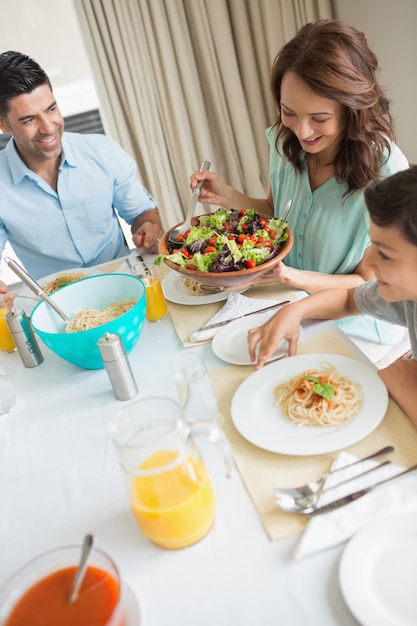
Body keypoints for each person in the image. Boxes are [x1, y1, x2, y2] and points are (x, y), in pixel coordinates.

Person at [190, 19, 409, 345]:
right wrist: (228, 196)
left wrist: (288, 275)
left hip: (357, 328)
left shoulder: (384, 169)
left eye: (319, 119)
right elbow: (275, 213)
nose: (302, 131)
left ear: (351, 109)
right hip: (286, 302)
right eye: (288, 112)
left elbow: (369, 283)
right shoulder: (284, 141)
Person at [247, 166, 417, 426]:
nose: (368, 261)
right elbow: (350, 300)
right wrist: (295, 311)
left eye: (385, 253)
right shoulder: (405, 293)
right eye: (373, 245)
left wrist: (404, 385)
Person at [0, 50, 164, 288]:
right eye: (29, 120)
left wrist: (148, 228)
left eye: (51, 109)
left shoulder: (101, 151)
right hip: (59, 304)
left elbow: (143, 212)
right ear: (3, 124)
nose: (48, 128)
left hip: (128, 283)